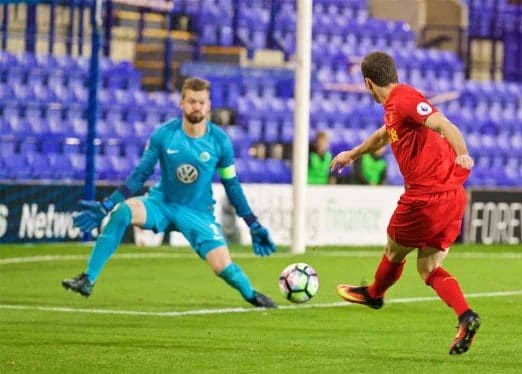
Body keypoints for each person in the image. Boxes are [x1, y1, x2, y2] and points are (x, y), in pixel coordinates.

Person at [63, 78, 277, 308]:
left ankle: (253, 296)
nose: (197, 106)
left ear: (209, 105)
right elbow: (140, 174)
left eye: (201, 102)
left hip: (198, 213)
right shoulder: (164, 135)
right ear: (181, 103)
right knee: (122, 212)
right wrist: (107, 204)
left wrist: (252, 223)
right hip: (161, 203)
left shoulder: (220, 142)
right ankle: (88, 279)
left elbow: (231, 186)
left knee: (224, 269)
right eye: (192, 101)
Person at [330, 51, 480, 355]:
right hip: (453, 195)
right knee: (428, 267)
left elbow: (444, 124)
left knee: (393, 250)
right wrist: (353, 153)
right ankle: (466, 316)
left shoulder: (404, 100)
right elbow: (384, 136)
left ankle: (374, 294)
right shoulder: (397, 105)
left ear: (368, 83)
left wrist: (462, 152)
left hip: (425, 197)